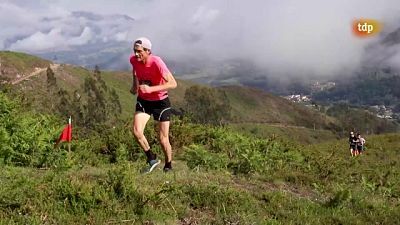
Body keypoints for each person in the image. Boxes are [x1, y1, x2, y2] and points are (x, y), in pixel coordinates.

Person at [130, 37, 177, 173]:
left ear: (148, 51)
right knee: (137, 132)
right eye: (134, 51)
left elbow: (173, 83)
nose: (136, 54)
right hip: (144, 100)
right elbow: (135, 70)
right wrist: (135, 85)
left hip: (160, 102)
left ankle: (168, 165)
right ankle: (151, 158)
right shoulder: (133, 60)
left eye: (139, 51)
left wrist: (151, 89)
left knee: (163, 139)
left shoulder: (157, 62)